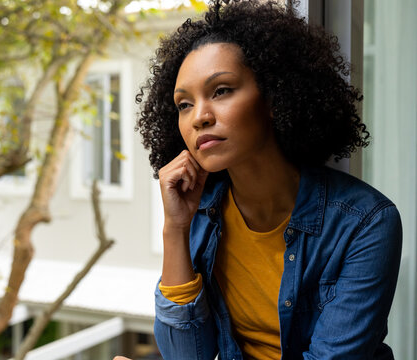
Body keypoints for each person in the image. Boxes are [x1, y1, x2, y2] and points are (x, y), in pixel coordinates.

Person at [115, 1, 403, 359]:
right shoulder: (201, 208)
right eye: (184, 104)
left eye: (221, 90)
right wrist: (175, 228)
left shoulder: (365, 222)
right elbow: (186, 354)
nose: (199, 117)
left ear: (273, 95)